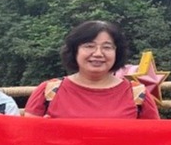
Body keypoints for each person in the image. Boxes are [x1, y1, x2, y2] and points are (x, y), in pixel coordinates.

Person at [23, 20, 159, 120]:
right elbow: (27, 139)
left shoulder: (138, 94)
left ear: (117, 52)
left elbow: (154, 140)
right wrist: (43, 129)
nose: (98, 53)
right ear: (75, 51)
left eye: (107, 47)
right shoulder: (48, 91)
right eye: (89, 46)